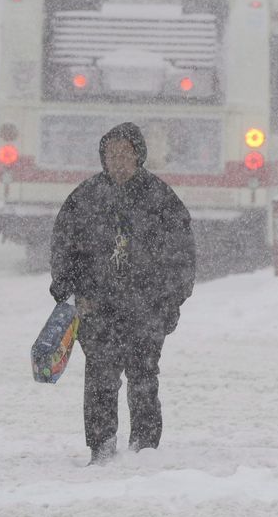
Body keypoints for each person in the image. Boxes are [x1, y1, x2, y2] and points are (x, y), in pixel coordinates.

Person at [50, 122, 196, 465]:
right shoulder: (84, 198)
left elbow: (182, 255)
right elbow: (63, 248)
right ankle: (100, 447)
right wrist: (68, 292)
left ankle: (144, 448)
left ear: (138, 156)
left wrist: (169, 301)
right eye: (111, 154)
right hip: (96, 308)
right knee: (100, 376)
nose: (117, 161)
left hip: (147, 308)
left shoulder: (160, 198)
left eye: (125, 153)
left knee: (144, 376)